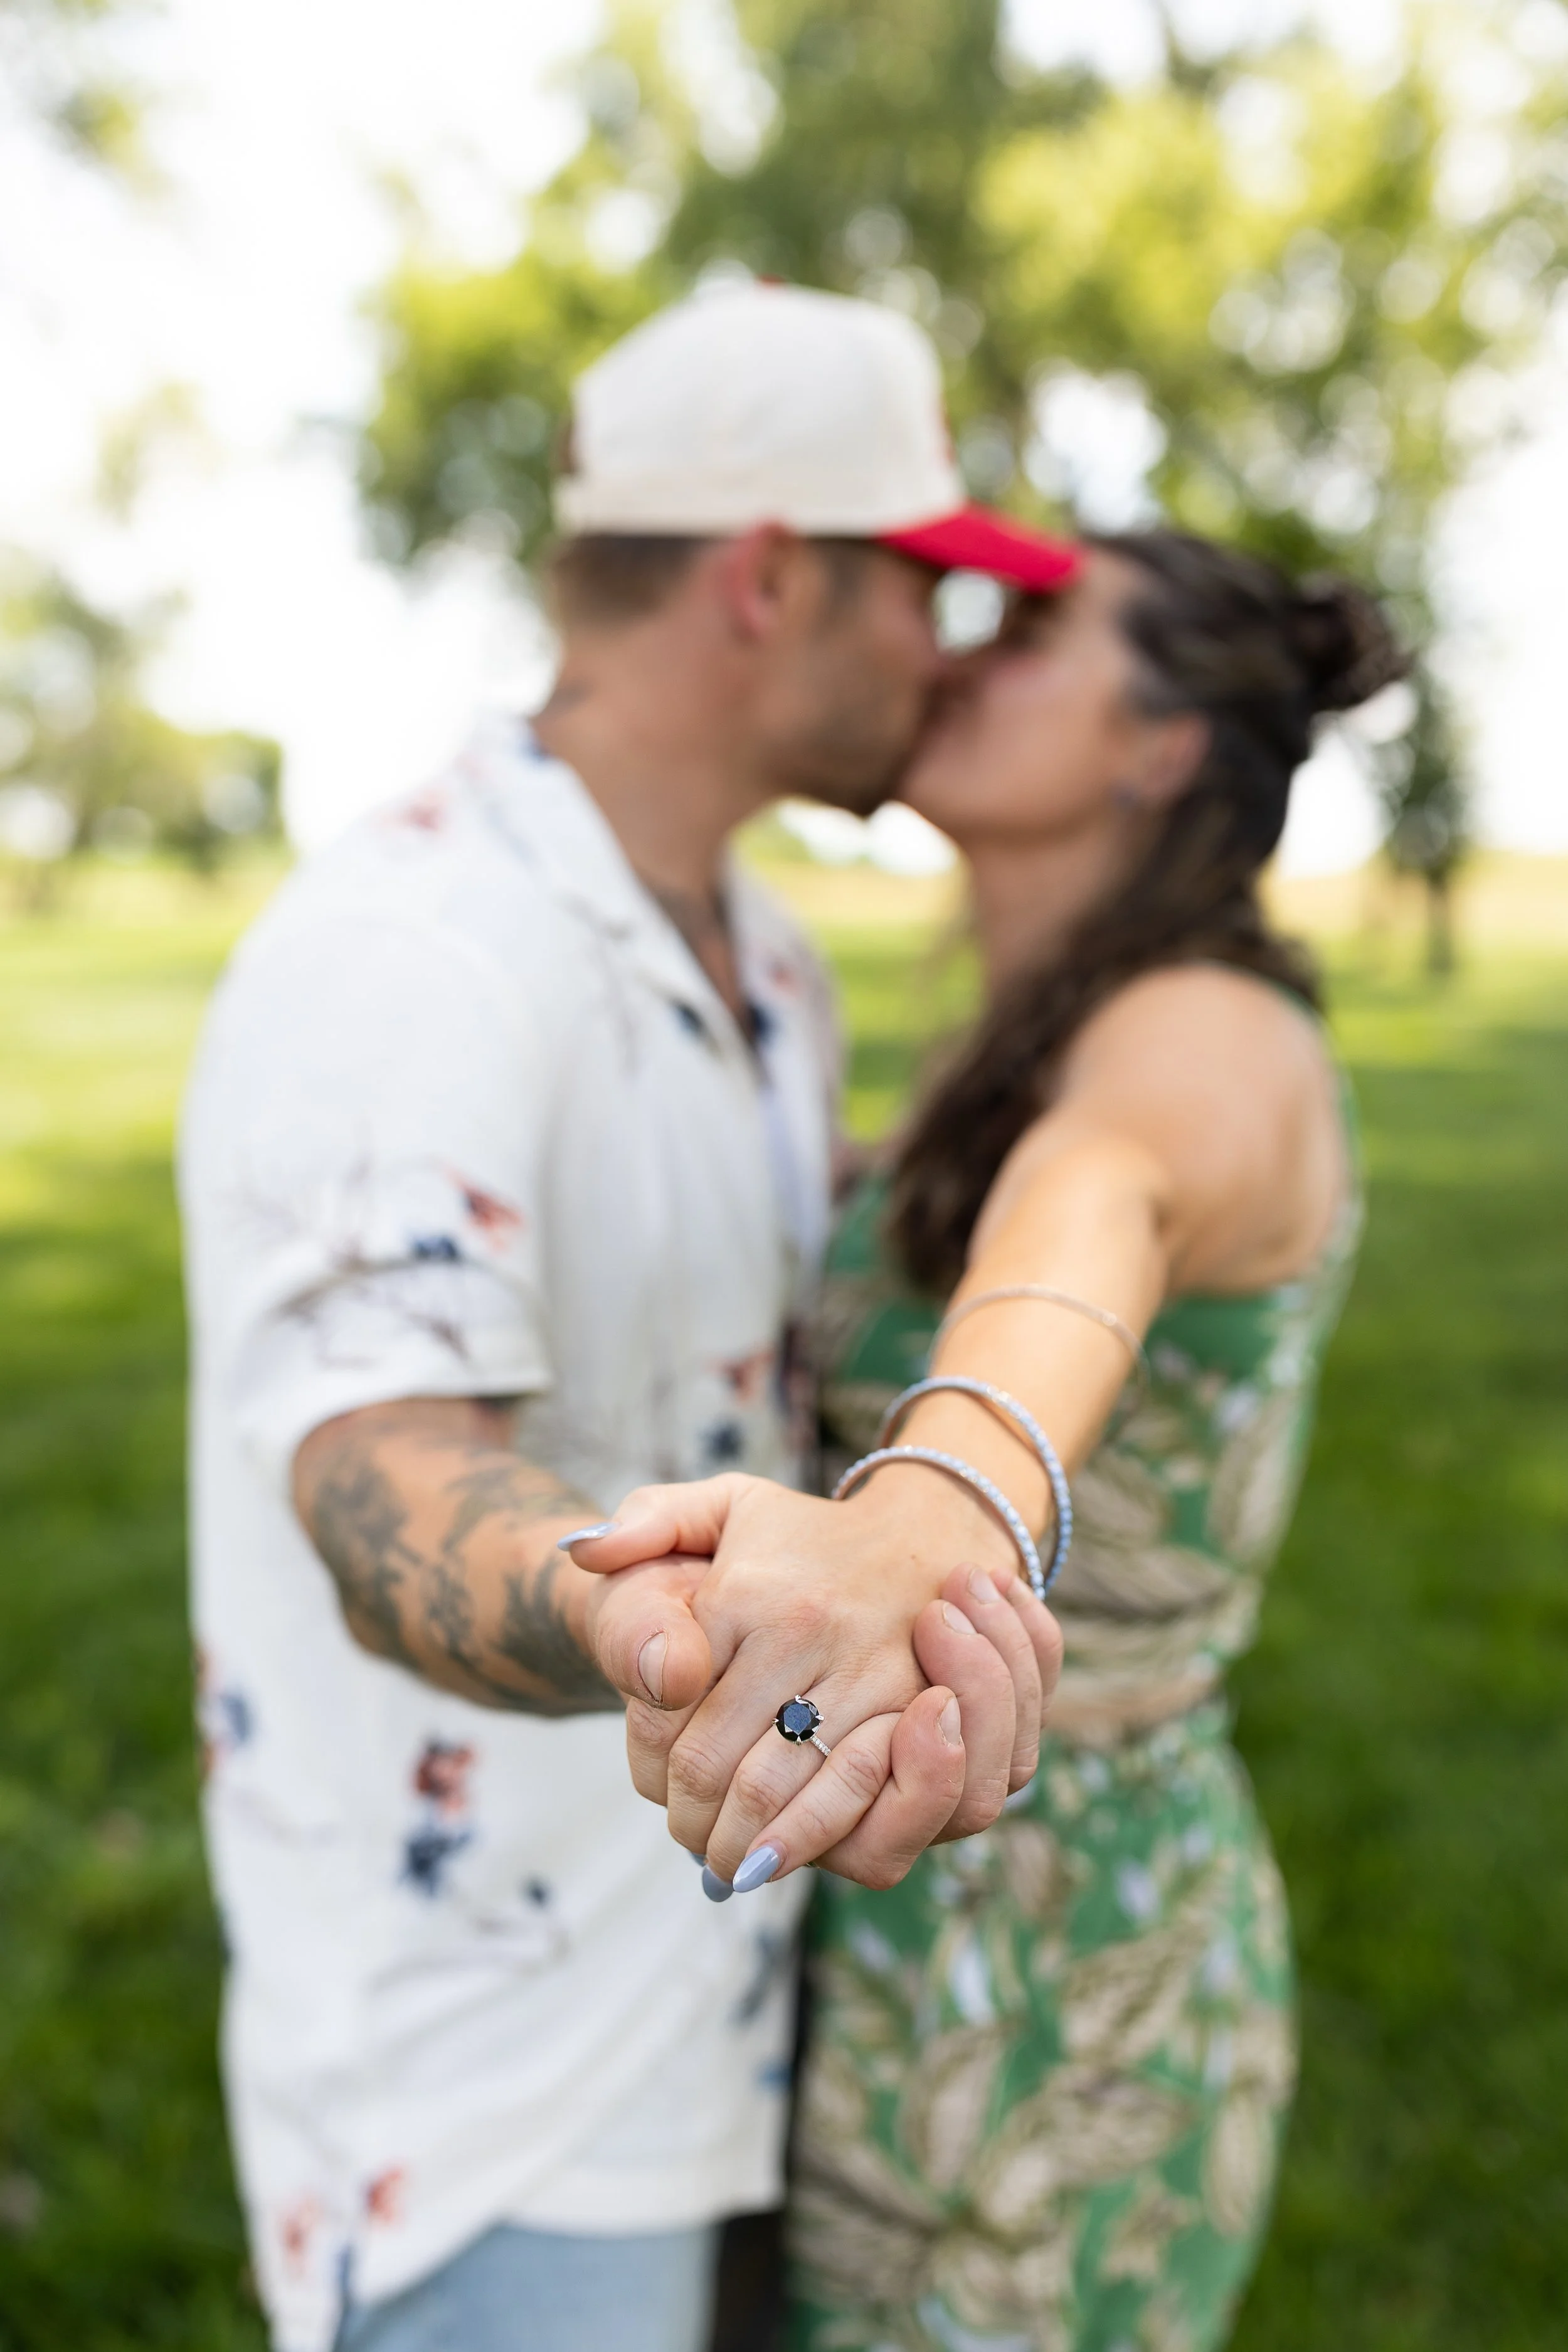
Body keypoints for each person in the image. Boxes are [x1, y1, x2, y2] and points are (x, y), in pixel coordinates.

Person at [177, 282, 1074, 2352]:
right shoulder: (422, 949)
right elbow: (375, 1465)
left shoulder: (764, 954)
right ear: (772, 578)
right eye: (917, 582)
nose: (941, 646)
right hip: (492, 2091)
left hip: (734, 1976)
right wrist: (629, 1615)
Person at [572, 530, 1406, 2352]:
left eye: (1028, 626)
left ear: (1158, 745)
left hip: (1065, 1966)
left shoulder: (1207, 1031)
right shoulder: (991, 1043)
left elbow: (1095, 1200)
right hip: (861, 1912)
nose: (952, 650)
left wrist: (936, 1495)